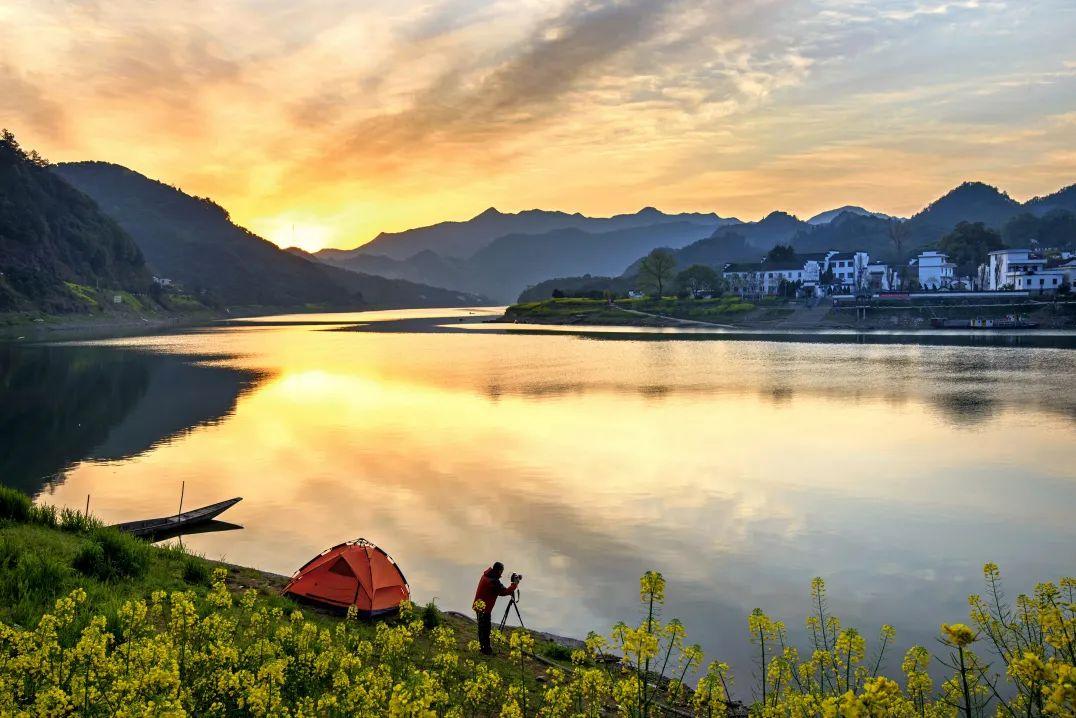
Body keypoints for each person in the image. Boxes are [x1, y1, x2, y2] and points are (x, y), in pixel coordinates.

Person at [473, 561, 520, 655]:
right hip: (484, 609)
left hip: (479, 605)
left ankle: (484, 648)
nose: (502, 573)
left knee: (482, 629)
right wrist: (514, 584)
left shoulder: (487, 576)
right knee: (485, 630)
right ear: (499, 571)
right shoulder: (493, 581)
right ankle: (486, 650)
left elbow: (499, 590)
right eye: (502, 571)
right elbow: (503, 592)